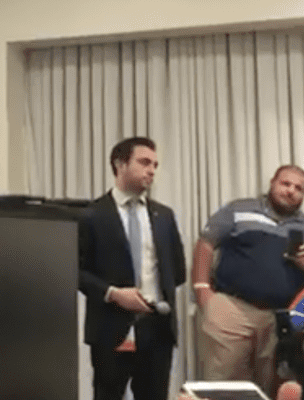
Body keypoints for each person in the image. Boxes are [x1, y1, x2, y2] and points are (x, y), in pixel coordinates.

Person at [79, 137, 187, 400]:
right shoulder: (91, 214)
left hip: (157, 328)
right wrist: (113, 293)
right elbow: (76, 271)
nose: (151, 170)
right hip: (111, 326)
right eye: (144, 162)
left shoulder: (164, 215)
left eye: (155, 165)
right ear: (120, 164)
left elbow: (177, 271)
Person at [192, 165, 304, 398]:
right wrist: (202, 289)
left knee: (269, 389)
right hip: (232, 310)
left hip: (280, 321)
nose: (291, 191)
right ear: (272, 183)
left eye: (299, 188)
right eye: (286, 184)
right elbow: (206, 242)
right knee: (223, 388)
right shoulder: (239, 209)